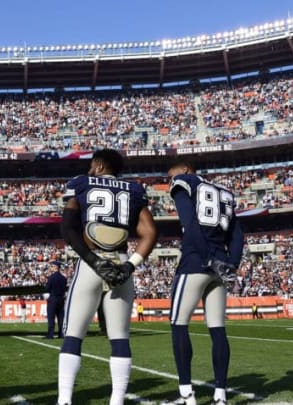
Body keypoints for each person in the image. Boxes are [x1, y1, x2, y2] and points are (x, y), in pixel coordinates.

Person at [57, 149, 157, 405]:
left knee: (73, 334)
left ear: (99, 165)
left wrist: (92, 261)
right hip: (121, 262)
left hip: (92, 262)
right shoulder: (134, 190)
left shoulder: (81, 183)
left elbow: (68, 228)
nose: (90, 169)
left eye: (92, 165)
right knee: (120, 337)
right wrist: (130, 266)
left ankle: (65, 400)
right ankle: (117, 401)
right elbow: (150, 233)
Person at [164, 160, 244, 405]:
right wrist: (231, 263)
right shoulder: (225, 193)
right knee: (217, 328)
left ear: (186, 170)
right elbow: (237, 234)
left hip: (196, 261)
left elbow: (190, 224)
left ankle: (186, 394)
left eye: (171, 175)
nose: (169, 180)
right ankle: (220, 396)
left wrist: (207, 257)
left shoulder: (184, 183)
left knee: (178, 324)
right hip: (220, 264)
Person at [45, 261, 67, 339]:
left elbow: (47, 289)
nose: (51, 268)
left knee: (51, 317)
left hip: (53, 298)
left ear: (55, 267)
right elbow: (64, 289)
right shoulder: (63, 278)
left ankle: (50, 334)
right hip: (61, 299)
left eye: (52, 266)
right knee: (61, 317)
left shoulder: (51, 278)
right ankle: (61, 334)